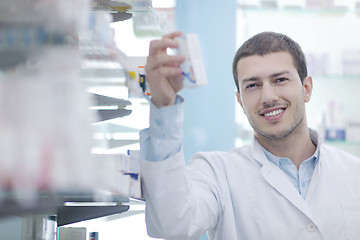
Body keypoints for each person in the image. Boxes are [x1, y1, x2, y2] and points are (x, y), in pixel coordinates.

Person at [139, 31, 360, 240]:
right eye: (253, 85)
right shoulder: (216, 173)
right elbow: (171, 223)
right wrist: (164, 106)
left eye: (280, 80)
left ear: (307, 88)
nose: (268, 96)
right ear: (240, 101)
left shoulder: (353, 172)